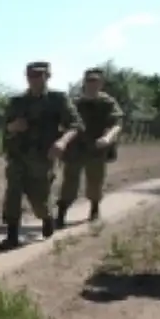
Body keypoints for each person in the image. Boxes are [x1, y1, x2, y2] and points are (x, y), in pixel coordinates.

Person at [0, 61, 83, 251]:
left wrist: (62, 142)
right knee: (12, 193)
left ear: (47, 76)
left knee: (39, 201)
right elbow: (5, 126)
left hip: (43, 157)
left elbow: (75, 125)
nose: (34, 79)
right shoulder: (17, 101)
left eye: (39, 75)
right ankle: (12, 236)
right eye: (30, 76)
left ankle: (46, 217)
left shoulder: (57, 99)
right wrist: (13, 127)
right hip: (18, 155)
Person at [56, 67, 123, 226]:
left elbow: (117, 124)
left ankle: (94, 209)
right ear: (84, 82)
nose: (92, 84)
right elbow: (63, 122)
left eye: (96, 81)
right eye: (89, 80)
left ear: (101, 83)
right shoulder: (75, 102)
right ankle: (61, 214)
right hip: (75, 148)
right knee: (69, 182)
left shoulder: (107, 102)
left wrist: (107, 138)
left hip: (96, 148)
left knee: (95, 181)